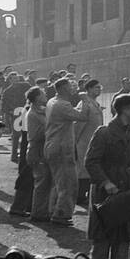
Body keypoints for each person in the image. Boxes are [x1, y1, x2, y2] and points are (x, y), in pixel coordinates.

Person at [84, 94, 130, 259]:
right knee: (101, 240)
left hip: (126, 192)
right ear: (124, 110)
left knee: (124, 240)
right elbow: (91, 161)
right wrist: (105, 182)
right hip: (105, 194)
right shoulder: (104, 132)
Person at [44, 78, 91, 225]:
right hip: (62, 148)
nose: (74, 88)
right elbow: (83, 117)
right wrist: (85, 101)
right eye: (71, 86)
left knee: (58, 182)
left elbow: (71, 114)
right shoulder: (62, 105)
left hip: (53, 146)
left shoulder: (52, 101)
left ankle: (53, 210)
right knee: (68, 183)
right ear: (64, 88)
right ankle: (62, 214)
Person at [24, 86, 52, 223]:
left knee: (45, 181)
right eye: (42, 93)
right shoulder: (34, 114)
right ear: (36, 98)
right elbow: (38, 133)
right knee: (41, 182)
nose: (45, 94)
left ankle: (42, 211)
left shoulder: (40, 110)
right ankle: (38, 213)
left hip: (41, 149)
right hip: (37, 149)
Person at [74, 80, 104, 208]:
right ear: (89, 89)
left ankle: (84, 195)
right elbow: (78, 125)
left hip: (92, 143)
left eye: (100, 87)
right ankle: (80, 197)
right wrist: (75, 142)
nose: (99, 90)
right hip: (84, 142)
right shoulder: (84, 104)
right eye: (96, 88)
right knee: (83, 171)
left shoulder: (94, 104)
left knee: (88, 170)